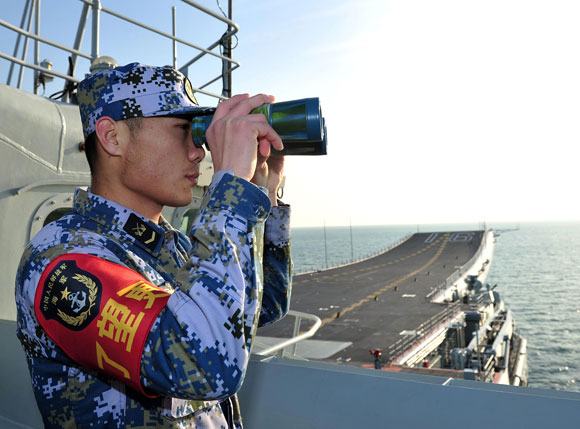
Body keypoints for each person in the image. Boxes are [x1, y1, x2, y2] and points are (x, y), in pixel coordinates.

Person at [15, 62, 292, 428]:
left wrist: (261, 191)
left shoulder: (166, 245)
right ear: (112, 137)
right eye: (183, 130)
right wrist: (230, 195)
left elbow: (263, 306)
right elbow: (207, 364)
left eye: (199, 134)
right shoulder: (65, 260)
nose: (198, 152)